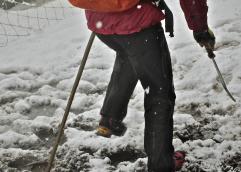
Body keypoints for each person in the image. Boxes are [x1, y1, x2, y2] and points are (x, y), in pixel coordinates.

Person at [84, 0, 215, 171]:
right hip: (137, 24)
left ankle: (110, 117)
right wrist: (200, 28)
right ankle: (161, 164)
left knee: (128, 53)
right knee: (159, 93)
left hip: (101, 20)